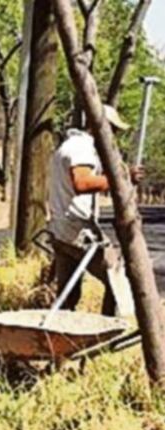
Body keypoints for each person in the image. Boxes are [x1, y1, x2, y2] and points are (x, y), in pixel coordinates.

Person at [47, 105, 143, 317]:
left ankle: (60, 334)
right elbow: (82, 183)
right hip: (78, 229)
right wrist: (123, 178)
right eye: (114, 131)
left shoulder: (69, 145)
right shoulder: (83, 148)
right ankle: (112, 330)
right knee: (117, 279)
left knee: (67, 294)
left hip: (61, 228)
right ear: (102, 127)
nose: (114, 137)